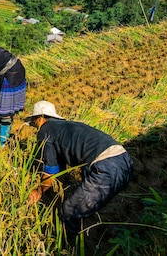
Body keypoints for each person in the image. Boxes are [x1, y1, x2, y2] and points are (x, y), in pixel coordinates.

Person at [25, 100, 133, 241]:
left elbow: (50, 172)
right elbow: (60, 166)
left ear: (39, 118)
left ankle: (67, 246)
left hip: (106, 167)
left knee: (69, 210)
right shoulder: (66, 127)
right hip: (124, 160)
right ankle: (83, 229)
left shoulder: (45, 131)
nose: (35, 127)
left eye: (34, 122)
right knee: (85, 205)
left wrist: (38, 191)